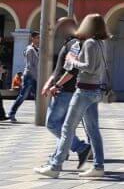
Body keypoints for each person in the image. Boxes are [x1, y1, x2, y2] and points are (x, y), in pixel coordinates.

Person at [34, 13, 110, 178]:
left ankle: (55, 167)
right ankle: (98, 166)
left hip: (84, 90)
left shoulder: (89, 43)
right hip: (95, 90)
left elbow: (88, 67)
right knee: (93, 130)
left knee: (67, 128)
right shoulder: (101, 43)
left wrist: (73, 60)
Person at [39, 17, 91, 167]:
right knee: (63, 125)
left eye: (60, 26)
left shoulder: (75, 44)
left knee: (53, 124)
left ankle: (81, 148)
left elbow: (72, 70)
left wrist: (57, 86)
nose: (57, 29)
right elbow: (59, 69)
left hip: (66, 91)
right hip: (64, 90)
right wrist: (49, 84)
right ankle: (56, 159)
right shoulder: (69, 43)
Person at [8, 30, 40, 122]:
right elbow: (30, 66)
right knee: (23, 96)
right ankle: (11, 113)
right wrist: (37, 78)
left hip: (34, 76)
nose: (39, 39)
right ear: (32, 38)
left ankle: (41, 116)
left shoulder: (36, 49)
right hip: (30, 76)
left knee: (38, 97)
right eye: (37, 37)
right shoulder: (30, 49)